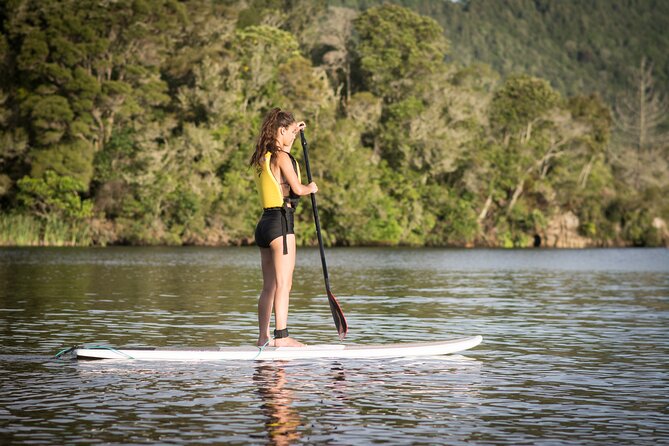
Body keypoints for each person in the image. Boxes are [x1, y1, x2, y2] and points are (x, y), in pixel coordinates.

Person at [249, 108, 318, 348]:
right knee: (284, 284)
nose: (293, 137)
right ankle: (282, 337)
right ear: (281, 130)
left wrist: (294, 132)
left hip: (264, 225)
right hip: (281, 223)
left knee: (269, 285)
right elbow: (297, 188)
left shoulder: (263, 156)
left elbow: (283, 156)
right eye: (290, 132)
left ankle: (263, 337)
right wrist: (311, 188)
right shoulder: (281, 157)